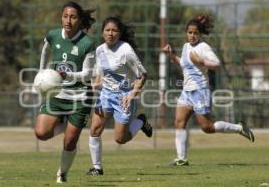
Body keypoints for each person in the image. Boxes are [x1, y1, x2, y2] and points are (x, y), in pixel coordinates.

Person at [162, 14, 255, 166]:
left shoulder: (203, 47)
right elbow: (182, 63)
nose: (192, 36)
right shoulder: (186, 47)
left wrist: (201, 61)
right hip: (187, 92)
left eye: (195, 33)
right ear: (186, 33)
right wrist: (171, 55)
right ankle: (181, 159)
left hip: (200, 91)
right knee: (179, 122)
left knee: (207, 127)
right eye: (190, 32)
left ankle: (239, 128)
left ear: (200, 34)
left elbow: (217, 64)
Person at [34, 1, 96, 183]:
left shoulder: (87, 43)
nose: (68, 20)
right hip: (57, 94)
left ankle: (62, 173)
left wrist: (66, 74)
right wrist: (42, 73)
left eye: (73, 17)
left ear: (79, 20)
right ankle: (65, 123)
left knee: (69, 143)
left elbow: (87, 74)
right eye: (65, 16)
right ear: (61, 17)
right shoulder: (53, 36)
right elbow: (45, 51)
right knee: (41, 133)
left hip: (80, 97)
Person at [86, 16, 153, 175]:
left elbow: (142, 75)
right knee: (94, 130)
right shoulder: (100, 50)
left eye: (114, 30)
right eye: (107, 30)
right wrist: (92, 88)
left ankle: (141, 121)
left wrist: (132, 95)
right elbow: (100, 76)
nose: (110, 33)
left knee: (120, 139)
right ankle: (97, 167)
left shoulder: (126, 50)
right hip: (105, 95)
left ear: (119, 32)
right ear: (102, 32)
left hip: (124, 96)